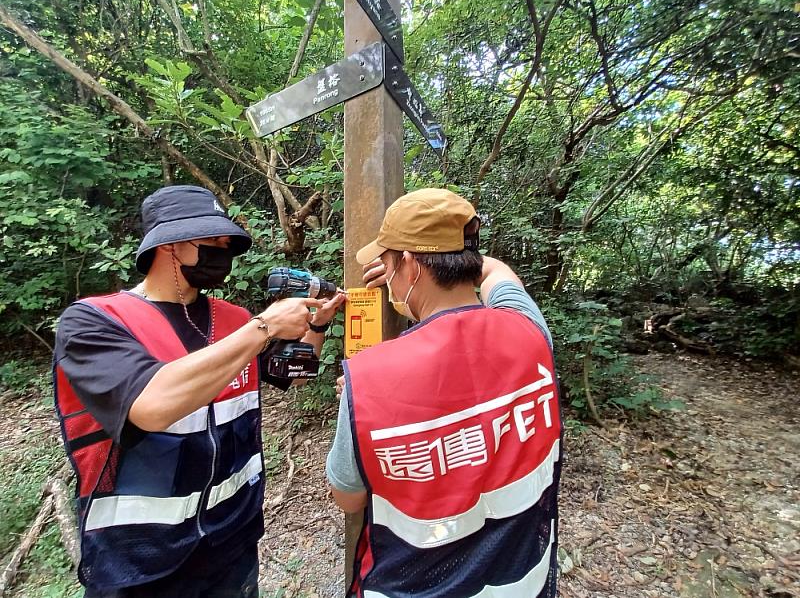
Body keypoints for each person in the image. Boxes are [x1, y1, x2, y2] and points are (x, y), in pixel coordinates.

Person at [54, 185, 345, 597]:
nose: (223, 251)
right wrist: (262, 327)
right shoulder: (96, 321)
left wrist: (316, 325)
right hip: (140, 562)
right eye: (212, 241)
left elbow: (291, 374)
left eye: (227, 242)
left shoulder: (231, 320)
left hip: (232, 546)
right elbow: (151, 407)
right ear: (169, 245)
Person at [326, 188, 562, 597]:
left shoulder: (368, 380)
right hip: (525, 581)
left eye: (387, 261)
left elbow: (348, 498)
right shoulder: (530, 331)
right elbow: (500, 274)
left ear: (411, 265)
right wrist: (453, 256)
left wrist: (361, 405)